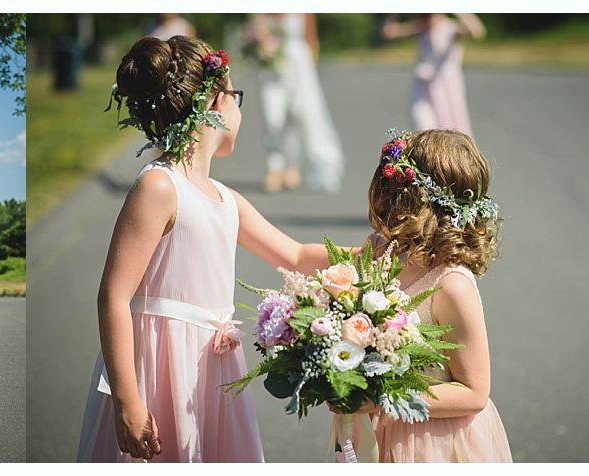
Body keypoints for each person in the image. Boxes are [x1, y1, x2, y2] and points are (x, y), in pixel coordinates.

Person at [78, 35, 346, 462]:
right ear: (215, 104)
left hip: (211, 369)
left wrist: (382, 250)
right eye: (235, 96)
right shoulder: (159, 186)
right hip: (161, 367)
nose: (239, 108)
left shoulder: (225, 198)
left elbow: (295, 256)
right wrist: (127, 399)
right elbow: (113, 295)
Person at [332, 128, 510, 462]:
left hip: (433, 442)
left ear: (409, 202)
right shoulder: (383, 252)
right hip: (378, 430)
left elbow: (475, 393)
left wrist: (383, 397)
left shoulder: (451, 286)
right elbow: (307, 257)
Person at [250, 13, 345, 193]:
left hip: (298, 65)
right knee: (272, 116)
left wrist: (310, 67)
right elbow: (253, 32)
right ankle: (274, 165)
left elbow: (310, 36)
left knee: (298, 114)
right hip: (270, 66)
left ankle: (292, 166)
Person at [381, 14, 486, 136]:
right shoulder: (420, 28)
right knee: (422, 124)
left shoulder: (450, 28)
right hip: (424, 86)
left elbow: (477, 32)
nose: (427, 19)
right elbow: (388, 33)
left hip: (446, 87)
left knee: (451, 129)